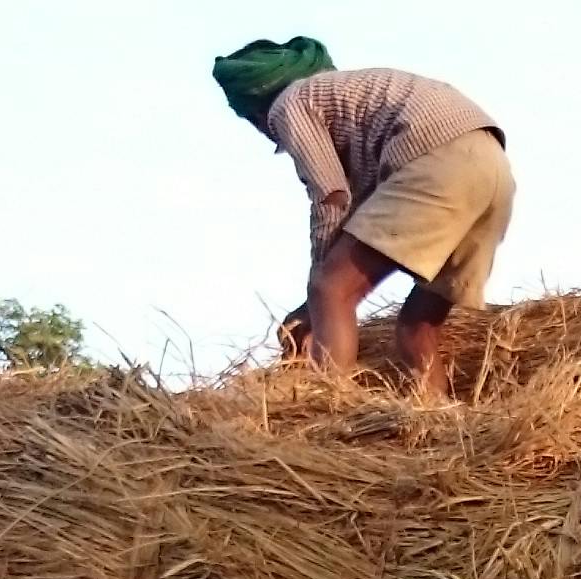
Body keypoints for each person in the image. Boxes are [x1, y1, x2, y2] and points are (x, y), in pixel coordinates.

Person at [211, 37, 514, 391]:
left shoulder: (290, 103)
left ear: (257, 110)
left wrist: (318, 295)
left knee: (330, 289)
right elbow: (364, 213)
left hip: (435, 161)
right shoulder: (350, 103)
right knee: (418, 326)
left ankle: (328, 407)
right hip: (493, 172)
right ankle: (436, 423)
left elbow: (331, 197)